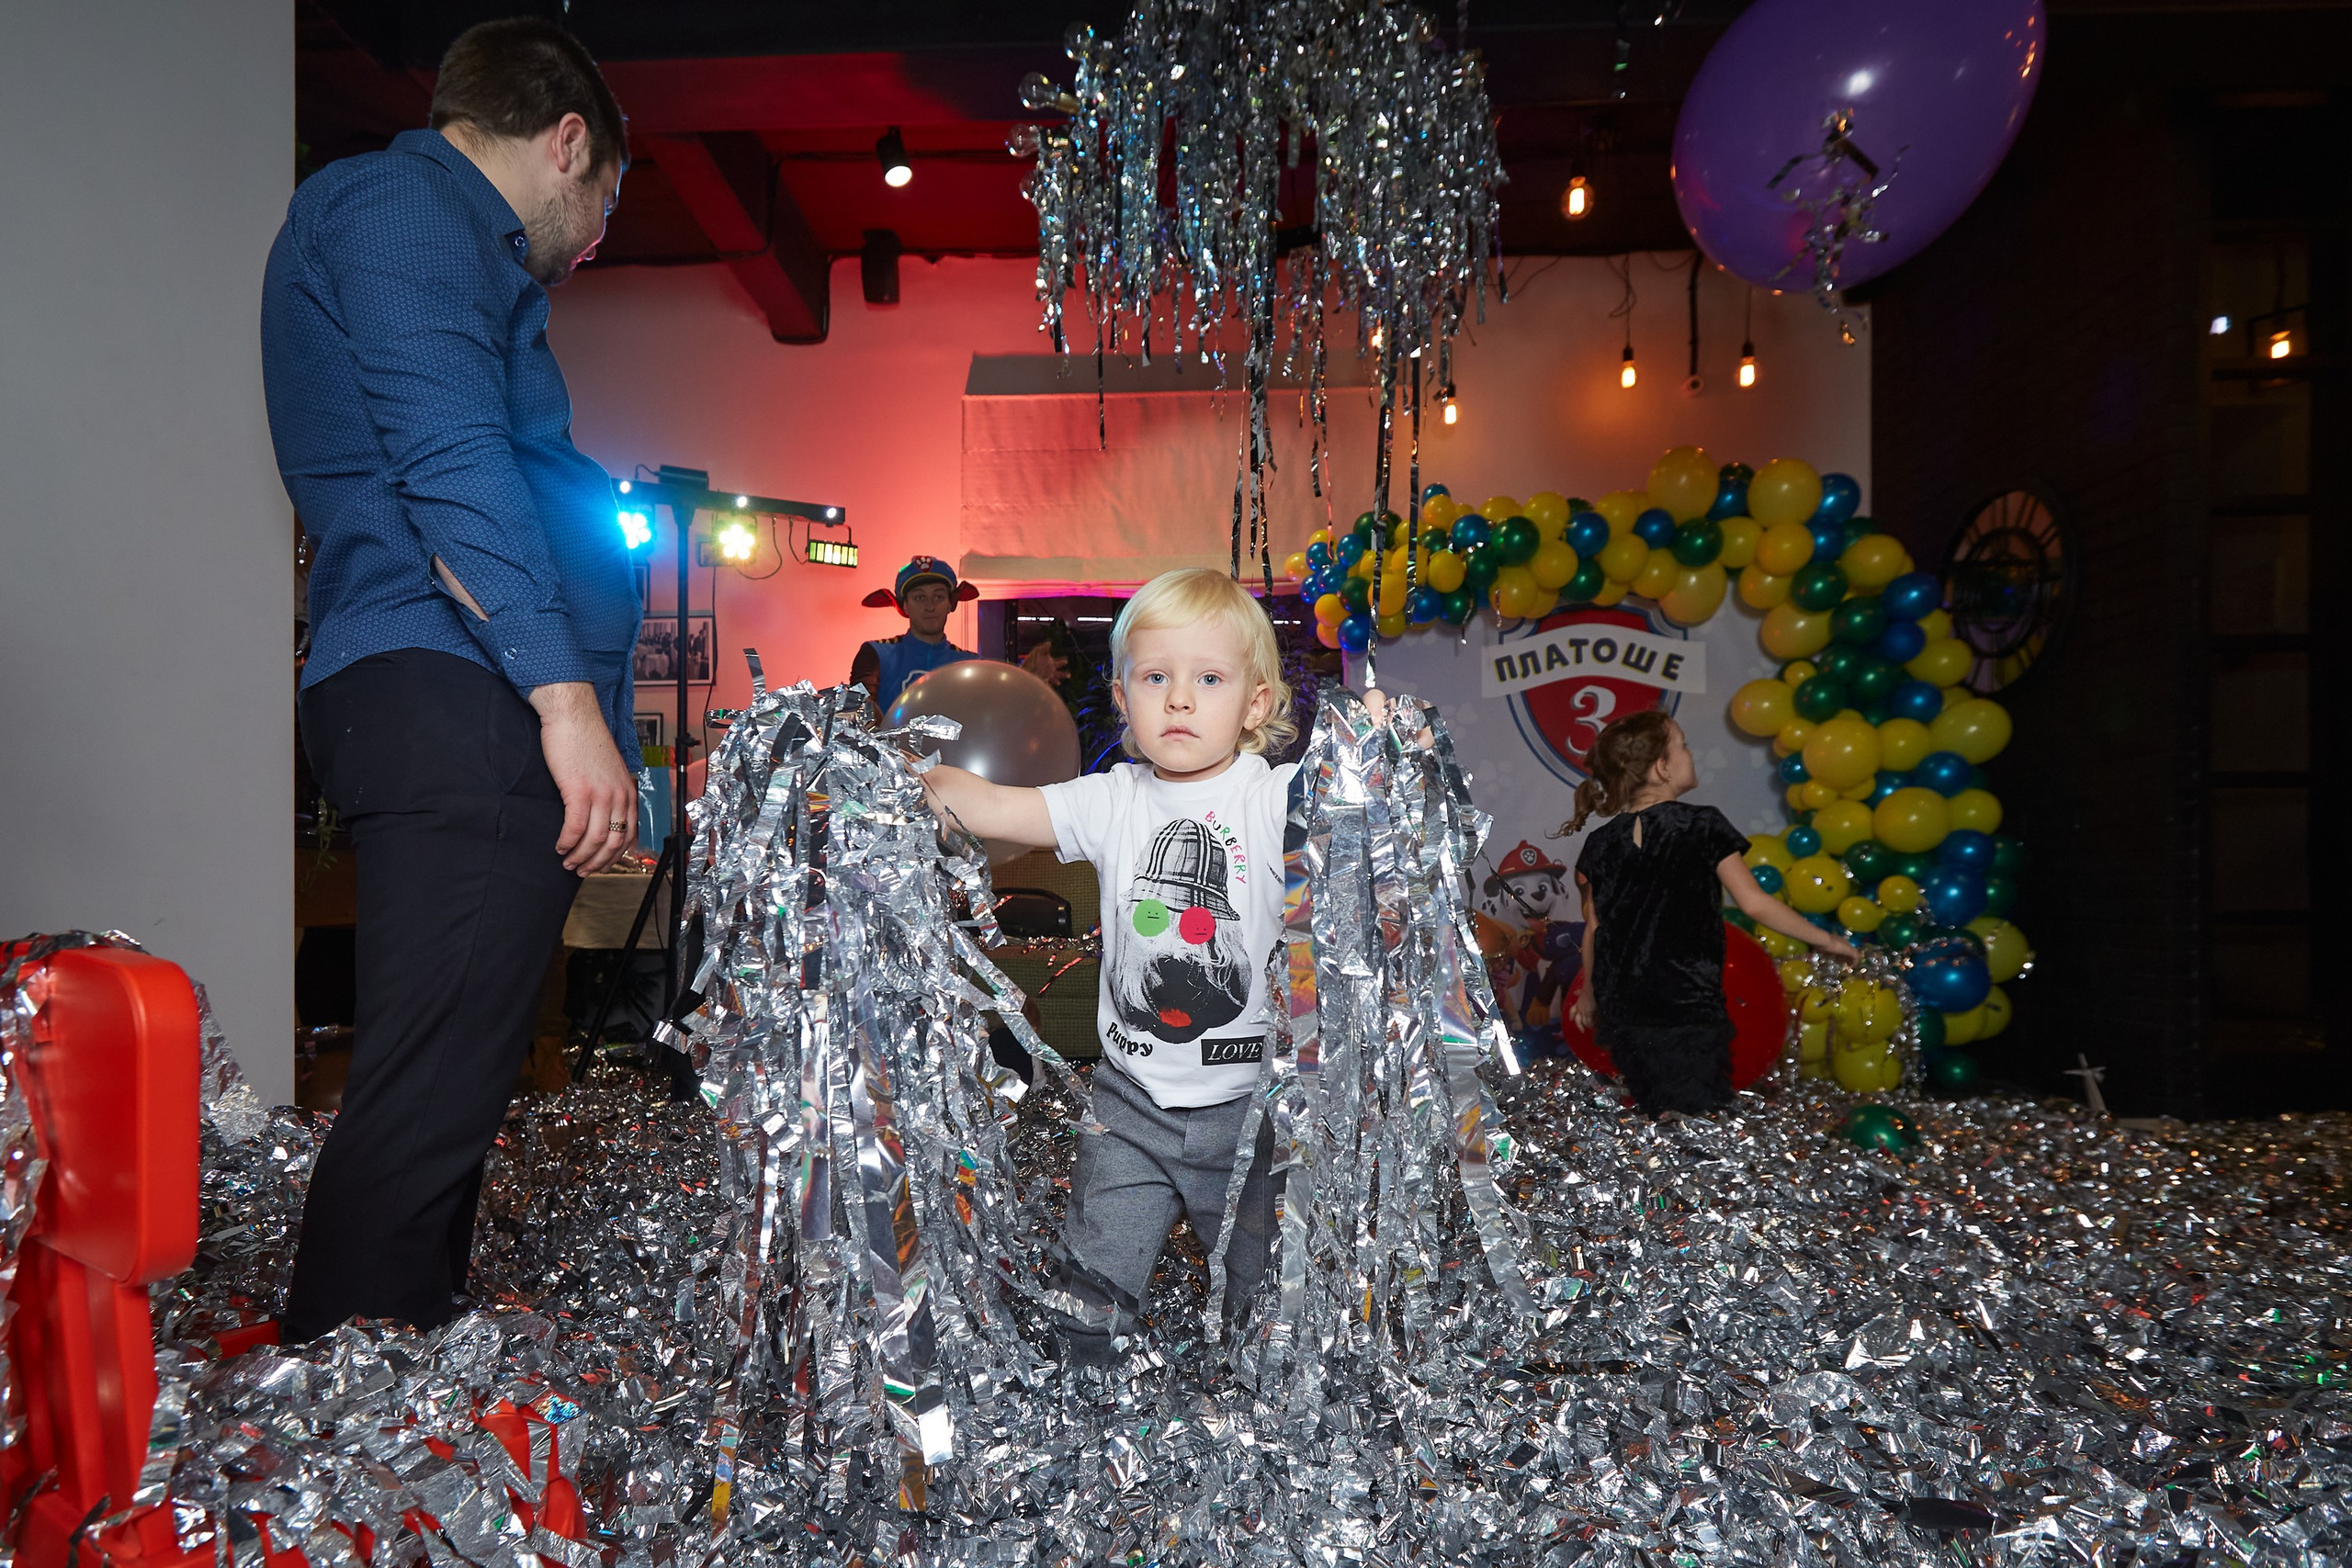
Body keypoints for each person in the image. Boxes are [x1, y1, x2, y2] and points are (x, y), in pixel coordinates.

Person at [260, 18, 639, 1341]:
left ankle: (398, 1385)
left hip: (464, 682)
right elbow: (450, 466)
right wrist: (567, 699)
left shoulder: (436, 236)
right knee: (426, 1091)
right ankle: (343, 1433)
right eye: (599, 212)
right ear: (568, 144)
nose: (589, 245)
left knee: (454, 1079)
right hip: (452, 679)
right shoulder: (405, 203)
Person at [917, 569, 1352, 1367]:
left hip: (1250, 1114)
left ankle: (1263, 1397)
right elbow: (995, 807)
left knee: (1266, 1295)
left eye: (1208, 679)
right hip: (1130, 1105)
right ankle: (1089, 1383)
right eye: (1156, 678)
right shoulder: (1111, 799)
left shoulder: (1270, 796)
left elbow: (1358, 800)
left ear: (1256, 704)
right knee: (1093, 1273)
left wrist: (1382, 747)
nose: (1179, 700)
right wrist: (916, 784)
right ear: (1124, 699)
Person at [1562, 711, 1855, 1116]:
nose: (1689, 754)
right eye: (1682, 745)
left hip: (1625, 1008)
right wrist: (1827, 940)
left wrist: (1590, 997)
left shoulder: (1601, 841)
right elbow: (1754, 903)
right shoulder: (1701, 824)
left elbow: (1594, 929)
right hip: (1686, 1002)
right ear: (1662, 767)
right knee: (1696, 1117)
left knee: (1654, 1109)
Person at [853, 555, 1067, 712]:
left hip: (954, 770)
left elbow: (996, 715)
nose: (930, 606)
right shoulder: (876, 654)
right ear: (904, 606)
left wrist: (1028, 678)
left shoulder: (972, 665)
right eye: (919, 597)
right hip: (890, 769)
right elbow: (860, 712)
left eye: (938, 597)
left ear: (951, 604)